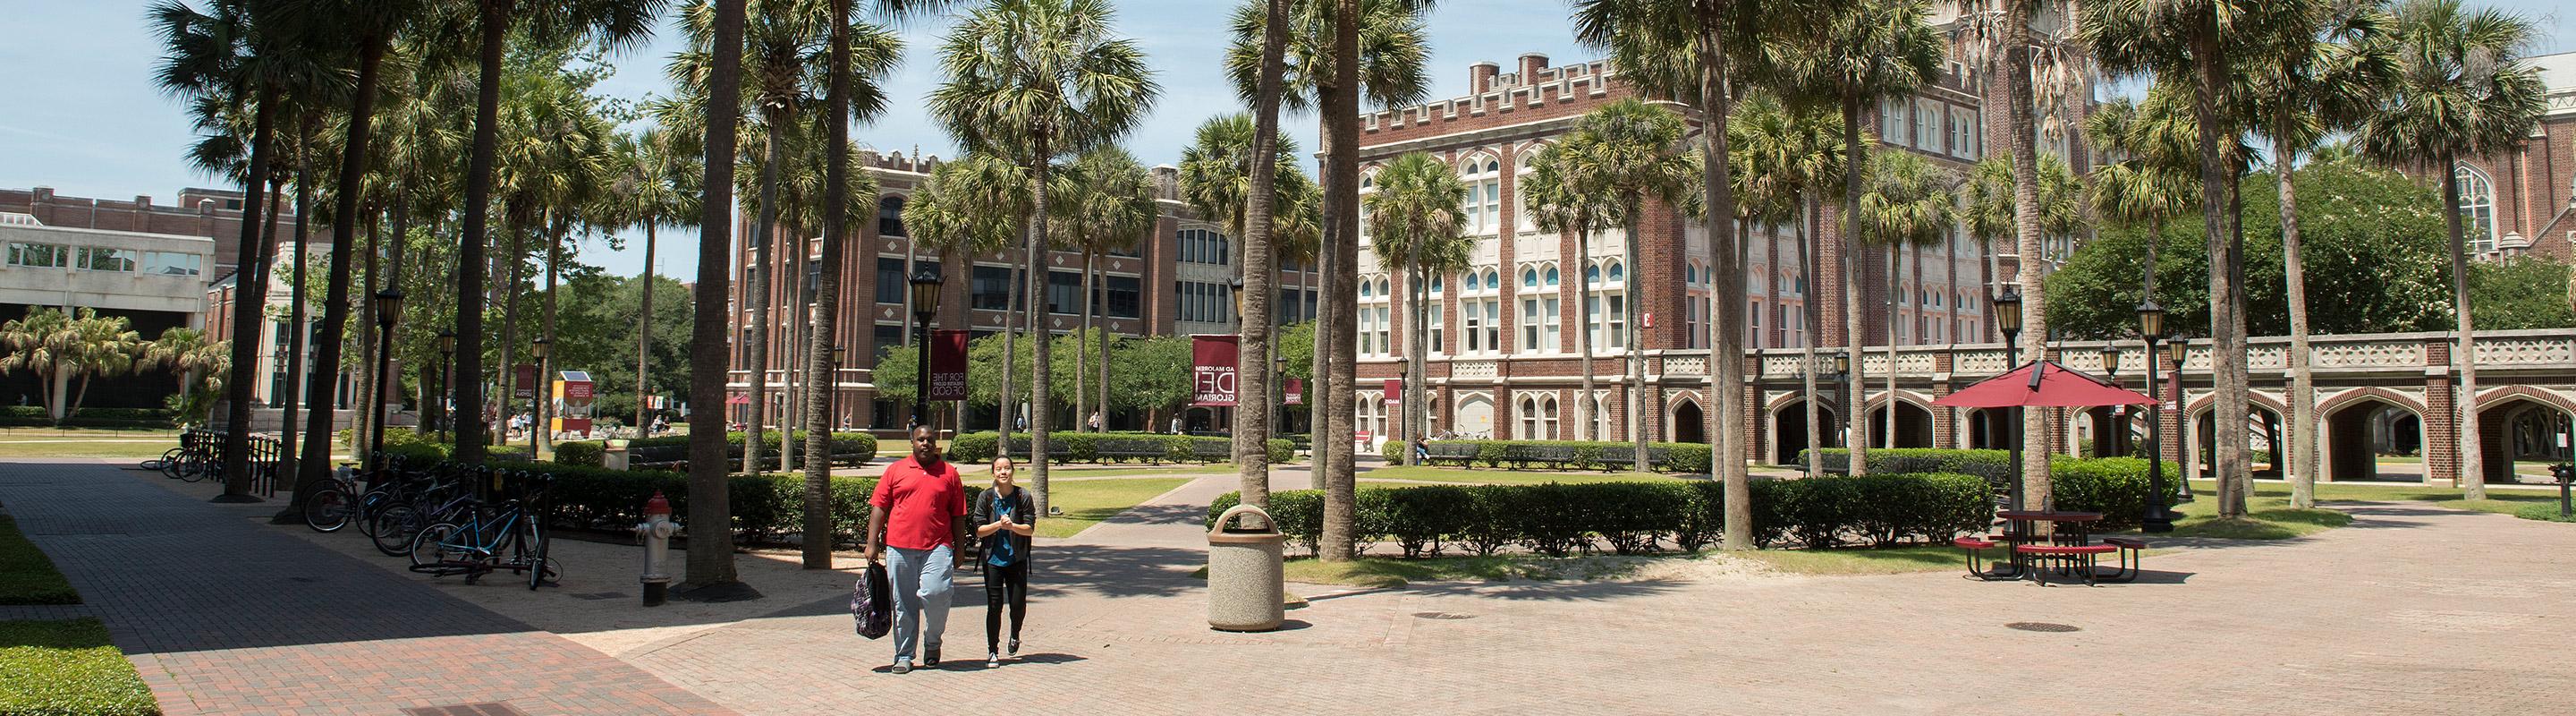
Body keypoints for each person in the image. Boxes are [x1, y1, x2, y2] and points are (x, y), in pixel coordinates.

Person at [865, 424, 968, 674]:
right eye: (920, 439)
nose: (925, 444)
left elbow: (958, 515)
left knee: (938, 593)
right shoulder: (895, 470)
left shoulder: (949, 473)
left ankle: (933, 641)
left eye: (930, 440)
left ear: (936, 444)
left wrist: (960, 548)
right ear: (912, 442)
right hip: (899, 547)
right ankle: (904, 655)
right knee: (903, 603)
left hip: (938, 546)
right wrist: (872, 543)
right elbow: (879, 507)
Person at [972, 456, 1036, 669]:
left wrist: (1012, 526)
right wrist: (999, 525)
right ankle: (992, 651)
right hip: (993, 560)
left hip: (1016, 559)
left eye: (1007, 468)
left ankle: (1015, 633)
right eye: (999, 469)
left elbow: (1029, 528)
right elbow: (979, 530)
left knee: (1017, 605)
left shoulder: (1022, 496)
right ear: (993, 473)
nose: (1003, 472)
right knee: (994, 606)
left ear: (1013, 471)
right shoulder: (986, 497)